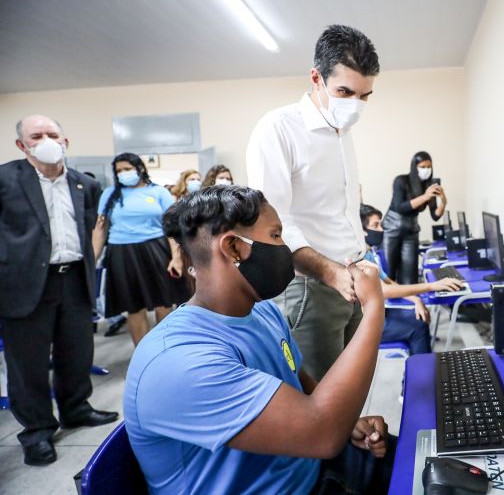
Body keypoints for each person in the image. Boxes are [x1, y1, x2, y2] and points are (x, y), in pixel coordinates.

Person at [125, 186, 394, 494]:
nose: (286, 249)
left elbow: (302, 384)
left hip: (308, 471)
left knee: (428, 465)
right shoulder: (178, 360)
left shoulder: (263, 311)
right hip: (294, 477)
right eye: (277, 236)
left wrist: (349, 424)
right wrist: (373, 308)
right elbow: (323, 434)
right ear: (234, 248)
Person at [247, 25, 380, 380]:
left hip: (353, 274)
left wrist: (362, 258)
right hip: (312, 284)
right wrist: (329, 271)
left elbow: (342, 212)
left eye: (365, 95)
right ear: (316, 77)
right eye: (345, 91)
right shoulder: (278, 128)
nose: (355, 105)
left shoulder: (342, 132)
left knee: (351, 392)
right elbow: (272, 226)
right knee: (321, 400)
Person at [0, 115, 118, 466]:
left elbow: (89, 231)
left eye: (53, 134)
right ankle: (36, 432)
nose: (47, 140)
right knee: (28, 364)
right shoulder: (6, 179)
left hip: (74, 280)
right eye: (37, 136)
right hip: (24, 284)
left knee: (76, 353)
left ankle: (76, 409)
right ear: (23, 145)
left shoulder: (85, 184)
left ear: (65, 142)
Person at [91, 153, 189, 346]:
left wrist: (176, 257)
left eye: (127, 169)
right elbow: (100, 229)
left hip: (156, 249)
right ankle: (142, 354)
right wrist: (91, 260)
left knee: (164, 302)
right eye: (119, 171)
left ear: (140, 168)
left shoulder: (158, 192)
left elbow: (172, 229)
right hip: (121, 253)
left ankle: (166, 348)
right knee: (133, 306)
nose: (123, 173)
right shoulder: (109, 194)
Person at [360, 204, 463, 355]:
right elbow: (385, 291)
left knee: (419, 319)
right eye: (376, 225)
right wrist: (431, 286)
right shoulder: (359, 257)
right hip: (367, 325)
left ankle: (421, 372)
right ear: (361, 231)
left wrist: (416, 299)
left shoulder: (368, 253)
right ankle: (422, 376)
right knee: (418, 328)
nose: (381, 230)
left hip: (379, 314)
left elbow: (389, 282)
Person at [382, 151, 447, 284]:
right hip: (392, 229)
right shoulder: (401, 180)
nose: (426, 170)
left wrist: (443, 200)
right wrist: (425, 196)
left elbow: (435, 216)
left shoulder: (429, 186)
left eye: (429, 167)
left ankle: (411, 302)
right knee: (388, 272)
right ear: (414, 166)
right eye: (423, 166)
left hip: (411, 231)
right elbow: (400, 207)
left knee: (410, 275)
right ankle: (389, 304)